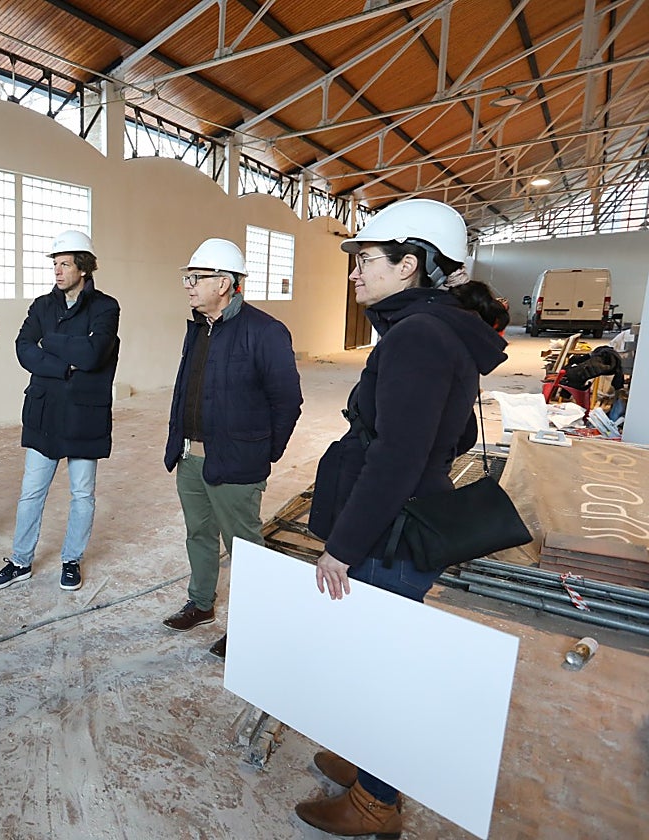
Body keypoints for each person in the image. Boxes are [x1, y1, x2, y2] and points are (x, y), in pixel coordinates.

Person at [297, 199, 509, 837]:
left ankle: (376, 802)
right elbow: (459, 431)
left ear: (408, 265)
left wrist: (344, 544)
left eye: (365, 262)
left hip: (391, 530)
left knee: (383, 667)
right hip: (403, 515)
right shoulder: (434, 327)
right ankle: (367, 764)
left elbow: (394, 455)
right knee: (374, 655)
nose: (354, 275)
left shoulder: (417, 335)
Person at [162, 238, 302, 658]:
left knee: (244, 546)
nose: (188, 285)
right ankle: (202, 604)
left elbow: (287, 401)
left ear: (224, 283)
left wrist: (263, 453)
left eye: (196, 277)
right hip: (191, 456)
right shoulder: (199, 328)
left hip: (237, 461)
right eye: (187, 277)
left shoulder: (265, 331)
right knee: (199, 534)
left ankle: (251, 622)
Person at [0, 230, 120, 592]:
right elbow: (23, 348)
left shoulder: (106, 307)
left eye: (64, 264)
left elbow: (94, 355)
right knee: (31, 492)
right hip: (45, 411)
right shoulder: (42, 306)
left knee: (82, 494)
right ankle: (20, 561)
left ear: (84, 268)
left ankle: (71, 559)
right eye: (55, 264)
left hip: (84, 415)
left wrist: (51, 342)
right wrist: (64, 364)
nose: (57, 271)